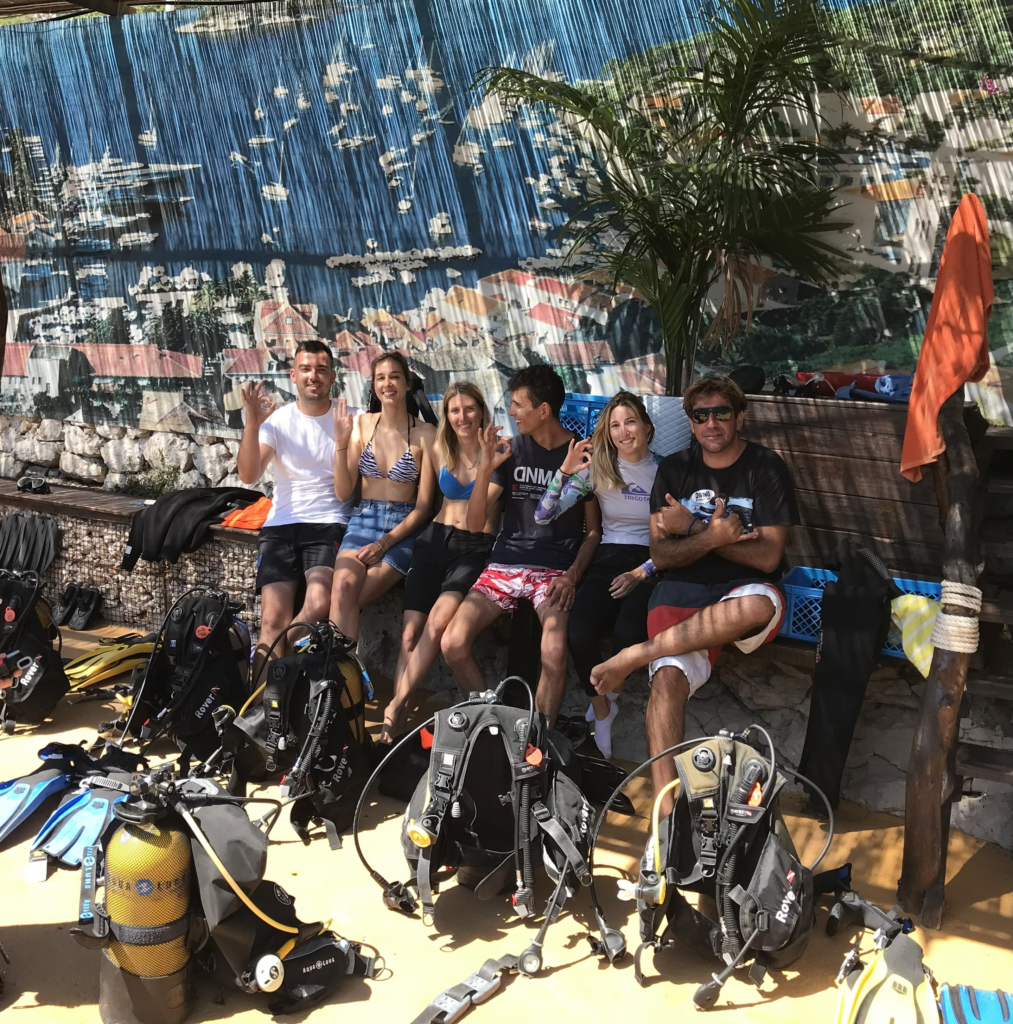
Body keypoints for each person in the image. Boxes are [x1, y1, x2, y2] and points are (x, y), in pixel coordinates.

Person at [590, 377, 798, 812]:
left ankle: (634, 655)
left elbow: (767, 557)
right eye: (701, 415)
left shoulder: (766, 467)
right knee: (666, 683)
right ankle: (667, 819)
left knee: (760, 604)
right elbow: (661, 554)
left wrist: (696, 529)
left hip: (742, 592)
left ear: (740, 417)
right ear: (689, 421)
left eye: (722, 412)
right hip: (683, 587)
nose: (712, 423)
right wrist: (712, 536)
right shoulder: (675, 470)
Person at [441, 365, 601, 721]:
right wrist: (484, 469)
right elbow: (475, 522)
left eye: (517, 405)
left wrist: (573, 573)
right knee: (452, 642)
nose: (510, 412)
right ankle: (491, 724)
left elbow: (593, 532)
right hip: (505, 564)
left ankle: (536, 740)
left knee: (554, 652)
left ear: (543, 410)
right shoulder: (510, 450)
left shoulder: (581, 457)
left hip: (555, 570)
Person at [533, 391, 659, 758]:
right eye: (615, 425)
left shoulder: (666, 470)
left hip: (652, 561)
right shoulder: (599, 469)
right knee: (579, 631)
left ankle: (610, 693)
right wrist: (564, 472)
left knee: (629, 632)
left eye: (631, 422)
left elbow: (677, 537)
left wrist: (643, 571)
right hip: (608, 556)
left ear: (647, 427)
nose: (624, 432)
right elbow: (544, 515)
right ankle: (602, 711)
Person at [380, 382, 500, 742]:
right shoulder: (438, 448)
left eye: (469, 409)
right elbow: (425, 503)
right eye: (454, 410)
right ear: (446, 415)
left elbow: (482, 513)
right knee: (410, 633)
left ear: (481, 411)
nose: (462, 417)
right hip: (433, 541)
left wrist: (486, 463)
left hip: (473, 545)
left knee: (437, 624)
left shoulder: (498, 452)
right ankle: (397, 725)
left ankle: (394, 708)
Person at [236, 339, 352, 685]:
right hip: (281, 526)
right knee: (271, 619)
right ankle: (255, 713)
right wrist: (253, 423)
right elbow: (249, 474)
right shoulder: (277, 421)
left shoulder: (349, 418)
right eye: (305, 369)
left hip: (328, 523)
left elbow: (350, 487)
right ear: (293, 375)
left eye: (320, 369)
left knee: (317, 603)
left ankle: (284, 650)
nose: (312, 376)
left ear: (332, 376)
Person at [330, 351, 437, 656]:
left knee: (344, 598)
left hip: (403, 529)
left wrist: (384, 544)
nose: (387, 383)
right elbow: (342, 492)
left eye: (394, 376)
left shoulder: (426, 434)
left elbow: (424, 507)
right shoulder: (362, 425)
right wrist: (341, 443)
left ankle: (336, 682)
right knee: (342, 589)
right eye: (380, 378)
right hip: (363, 519)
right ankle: (342, 681)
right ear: (374, 385)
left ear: (406, 383)